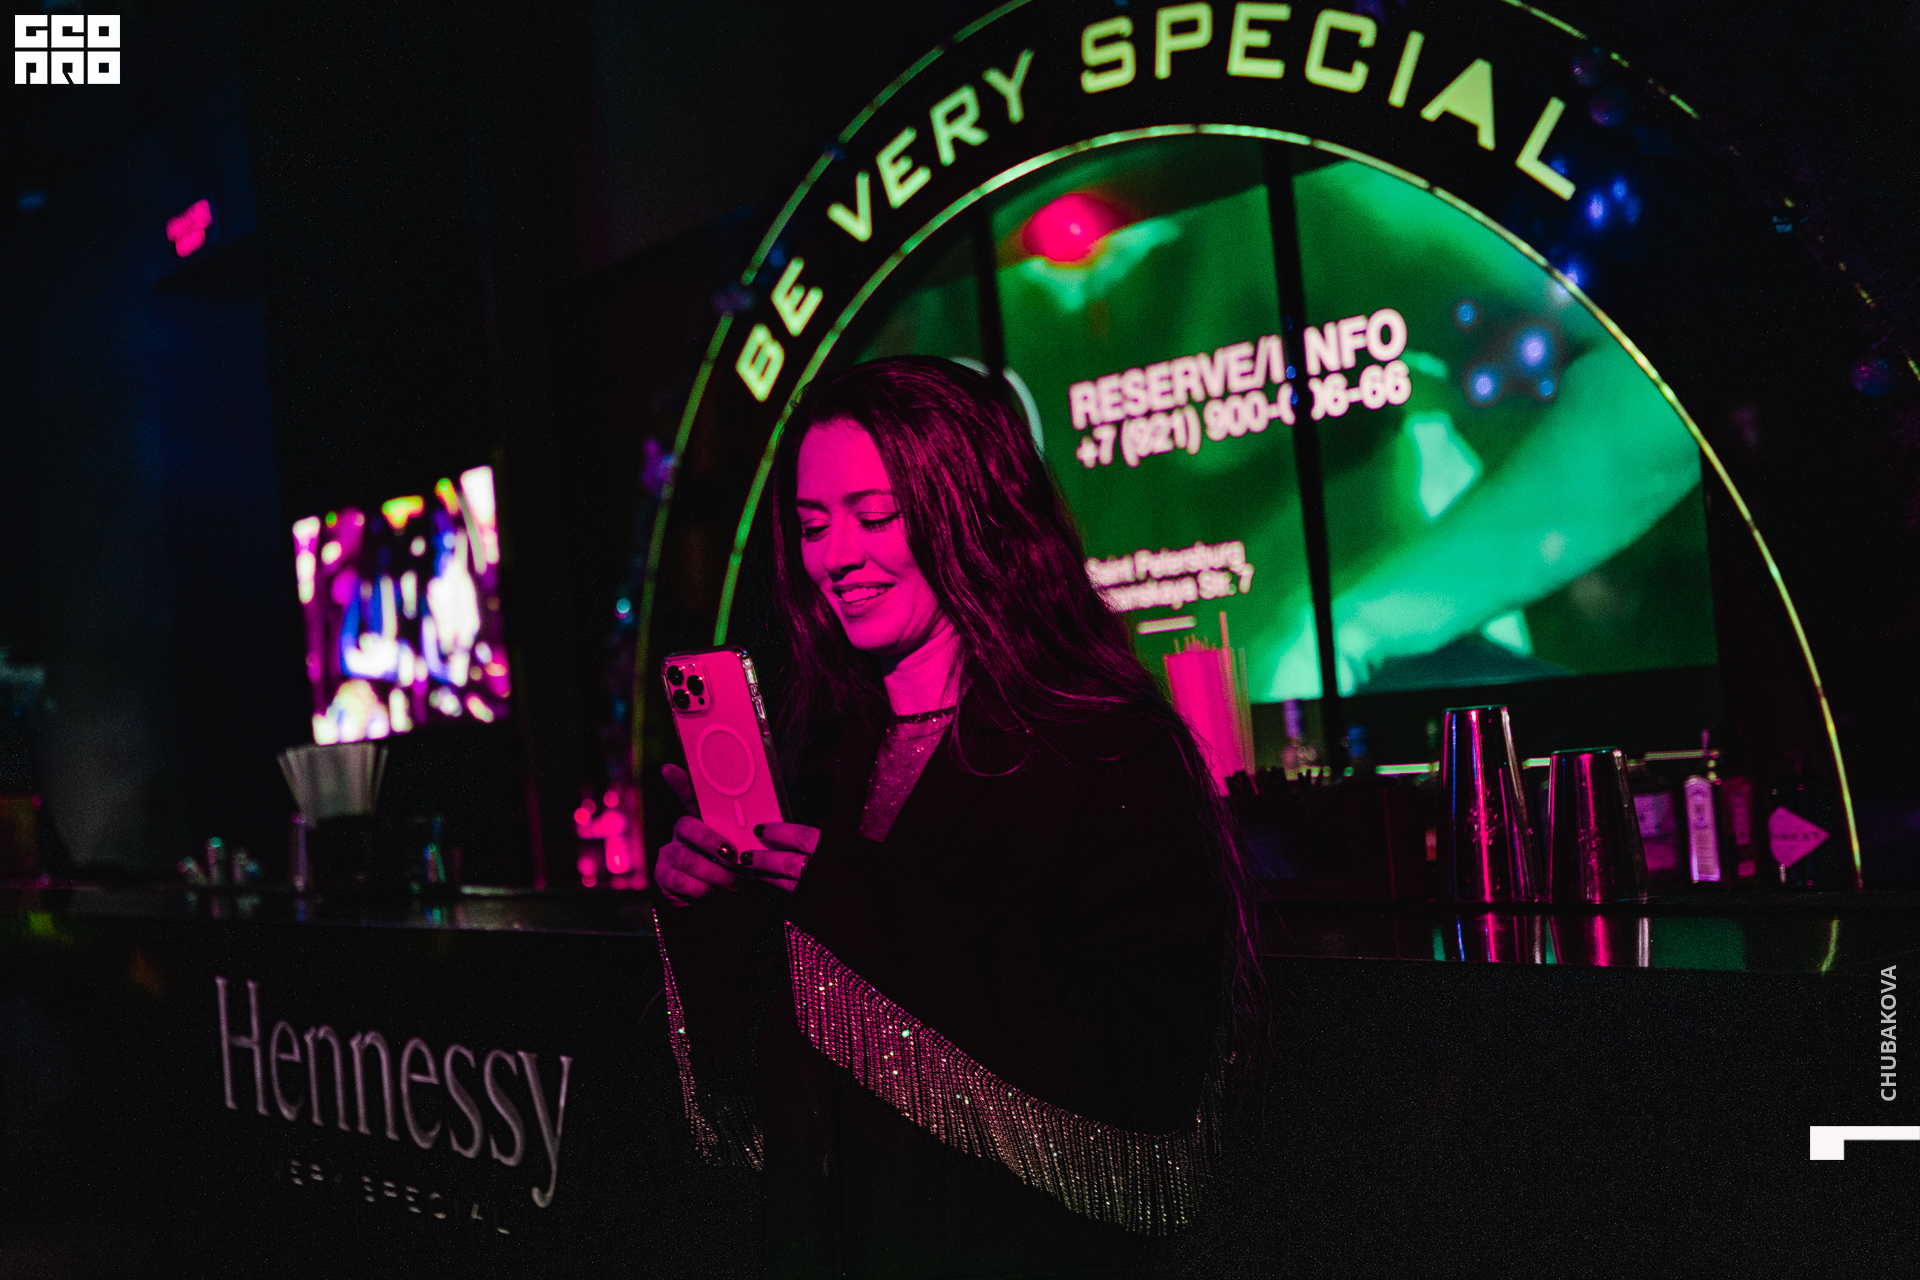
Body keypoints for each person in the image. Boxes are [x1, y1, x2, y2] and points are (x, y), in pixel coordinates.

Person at [653, 356, 1263, 1277]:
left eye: (875, 516)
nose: (837, 557)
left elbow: (1146, 1073)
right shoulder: (818, 763)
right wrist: (714, 911)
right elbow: (752, 1097)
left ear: (971, 511)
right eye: (813, 526)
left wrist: (853, 895)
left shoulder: (1107, 752)